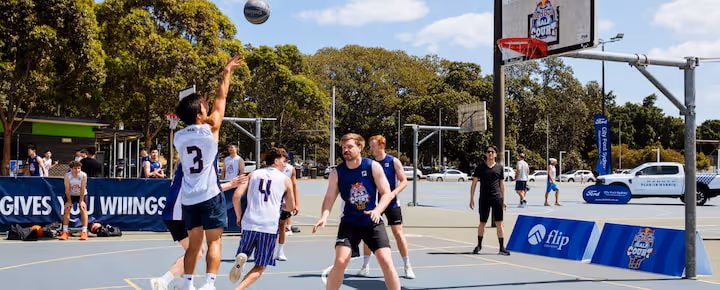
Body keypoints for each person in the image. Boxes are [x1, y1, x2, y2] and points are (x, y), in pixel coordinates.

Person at [173, 53, 244, 290]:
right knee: (215, 242)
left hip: (189, 197)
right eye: (204, 105)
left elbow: (205, 111)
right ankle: (209, 284)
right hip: (210, 195)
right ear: (199, 114)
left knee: (194, 245)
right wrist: (227, 72)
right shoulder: (210, 130)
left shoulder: (178, 137)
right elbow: (221, 98)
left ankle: (187, 284)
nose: (207, 105)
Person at [313, 133, 401, 290]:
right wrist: (324, 215)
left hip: (372, 222)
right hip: (349, 224)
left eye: (350, 147)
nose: (346, 150)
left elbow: (387, 193)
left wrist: (377, 210)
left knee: (386, 261)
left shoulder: (372, 166)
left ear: (360, 147)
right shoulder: (337, 172)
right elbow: (329, 197)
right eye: (343, 147)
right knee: (340, 261)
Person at [151, 163, 248, 290]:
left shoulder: (187, 161)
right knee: (197, 250)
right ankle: (164, 280)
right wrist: (231, 184)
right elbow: (205, 189)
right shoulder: (195, 163)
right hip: (179, 212)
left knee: (197, 250)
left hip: (175, 211)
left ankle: (181, 284)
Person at [229, 147, 295, 290]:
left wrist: (239, 216)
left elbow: (236, 196)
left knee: (244, 253)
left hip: (249, 222)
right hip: (269, 226)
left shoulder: (253, 174)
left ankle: (241, 257)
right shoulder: (285, 179)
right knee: (260, 266)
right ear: (276, 161)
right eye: (283, 161)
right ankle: (239, 289)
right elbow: (290, 206)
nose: (285, 165)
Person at [357, 135, 415, 279]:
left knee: (398, 233)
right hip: (374, 205)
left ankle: (407, 266)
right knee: (368, 233)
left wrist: (392, 193)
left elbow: (403, 181)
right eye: (369, 146)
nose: (370, 149)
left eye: (373, 146)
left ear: (381, 146)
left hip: (392, 203)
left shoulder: (393, 161)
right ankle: (365, 267)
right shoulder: (369, 163)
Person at [469, 145, 510, 256]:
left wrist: (504, 200)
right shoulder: (480, 167)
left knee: (499, 223)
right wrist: (471, 199)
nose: (490, 153)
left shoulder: (499, 168)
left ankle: (502, 248)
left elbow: (502, 184)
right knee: (482, 222)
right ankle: (479, 245)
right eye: (488, 152)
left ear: (496, 154)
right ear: (485, 154)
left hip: (497, 198)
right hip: (484, 198)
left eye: (492, 152)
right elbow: (474, 183)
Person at [274, 143, 299, 261]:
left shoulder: (290, 169)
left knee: (282, 225)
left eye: (283, 152)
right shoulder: (269, 169)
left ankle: (280, 251)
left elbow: (294, 186)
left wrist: (296, 203)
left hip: (284, 202)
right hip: (271, 202)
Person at [59, 161, 89, 240]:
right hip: (70, 195)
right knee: (67, 209)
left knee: (83, 209)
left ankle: (84, 232)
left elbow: (82, 188)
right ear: (71, 169)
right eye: (75, 168)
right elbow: (67, 189)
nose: (77, 170)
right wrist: (69, 201)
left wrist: (81, 201)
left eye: (79, 168)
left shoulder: (83, 175)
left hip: (81, 194)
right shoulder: (67, 176)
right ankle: (65, 232)